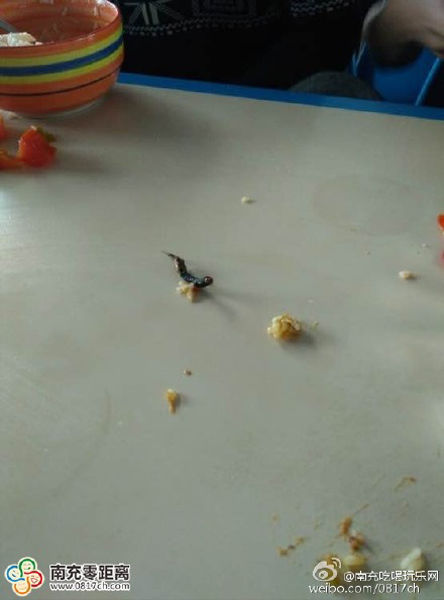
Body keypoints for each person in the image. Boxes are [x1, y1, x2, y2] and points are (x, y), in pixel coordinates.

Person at [113, 0, 444, 98]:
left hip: (271, 94)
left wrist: (241, 103)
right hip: (130, 99)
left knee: (339, 88)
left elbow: (327, 32)